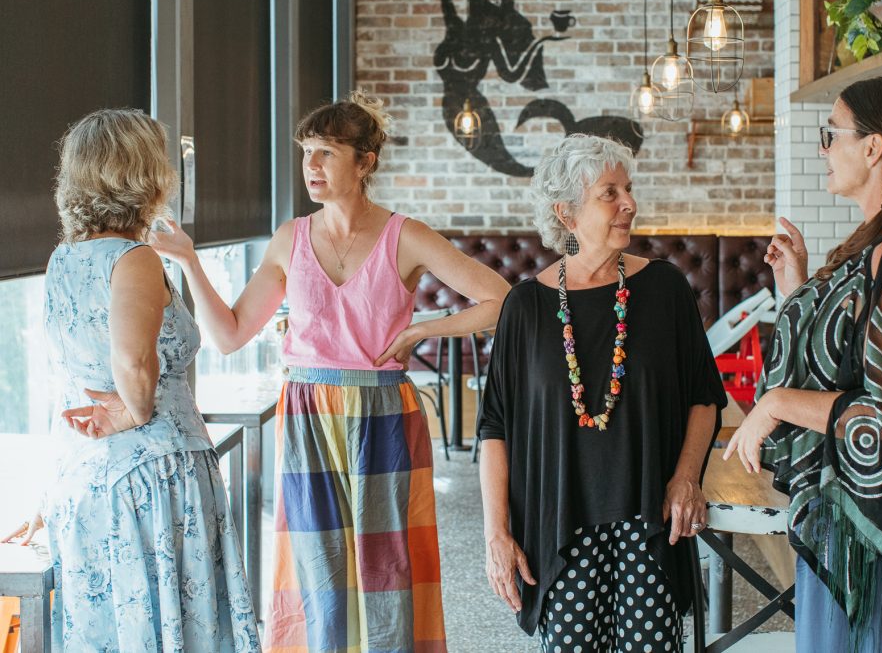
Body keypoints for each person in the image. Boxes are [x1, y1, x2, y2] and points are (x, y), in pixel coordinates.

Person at [148, 91, 510, 653]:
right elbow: (229, 334)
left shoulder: (404, 235)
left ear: (364, 161)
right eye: (306, 153)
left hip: (385, 413)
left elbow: (500, 299)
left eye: (326, 153)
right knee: (319, 575)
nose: (311, 166)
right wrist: (189, 260)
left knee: (388, 567)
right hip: (309, 416)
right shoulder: (290, 239)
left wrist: (421, 331)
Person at [724, 77, 882, 652]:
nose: (823, 149)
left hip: (879, 541)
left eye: (831, 135)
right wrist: (795, 287)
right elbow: (858, 366)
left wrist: (773, 404)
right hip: (863, 521)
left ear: (873, 149)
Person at [1, 109, 260, 651]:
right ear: (145, 175)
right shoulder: (134, 258)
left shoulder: (62, 260)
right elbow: (134, 371)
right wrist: (135, 410)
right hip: (151, 480)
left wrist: (50, 492)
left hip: (89, 476)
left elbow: (72, 390)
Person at [478, 134, 727, 652]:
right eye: (609, 193)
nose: (629, 203)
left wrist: (685, 478)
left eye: (628, 189)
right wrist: (496, 535)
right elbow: (495, 428)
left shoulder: (664, 289)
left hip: (649, 523)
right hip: (560, 526)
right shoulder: (525, 308)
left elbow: (704, 396)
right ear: (566, 213)